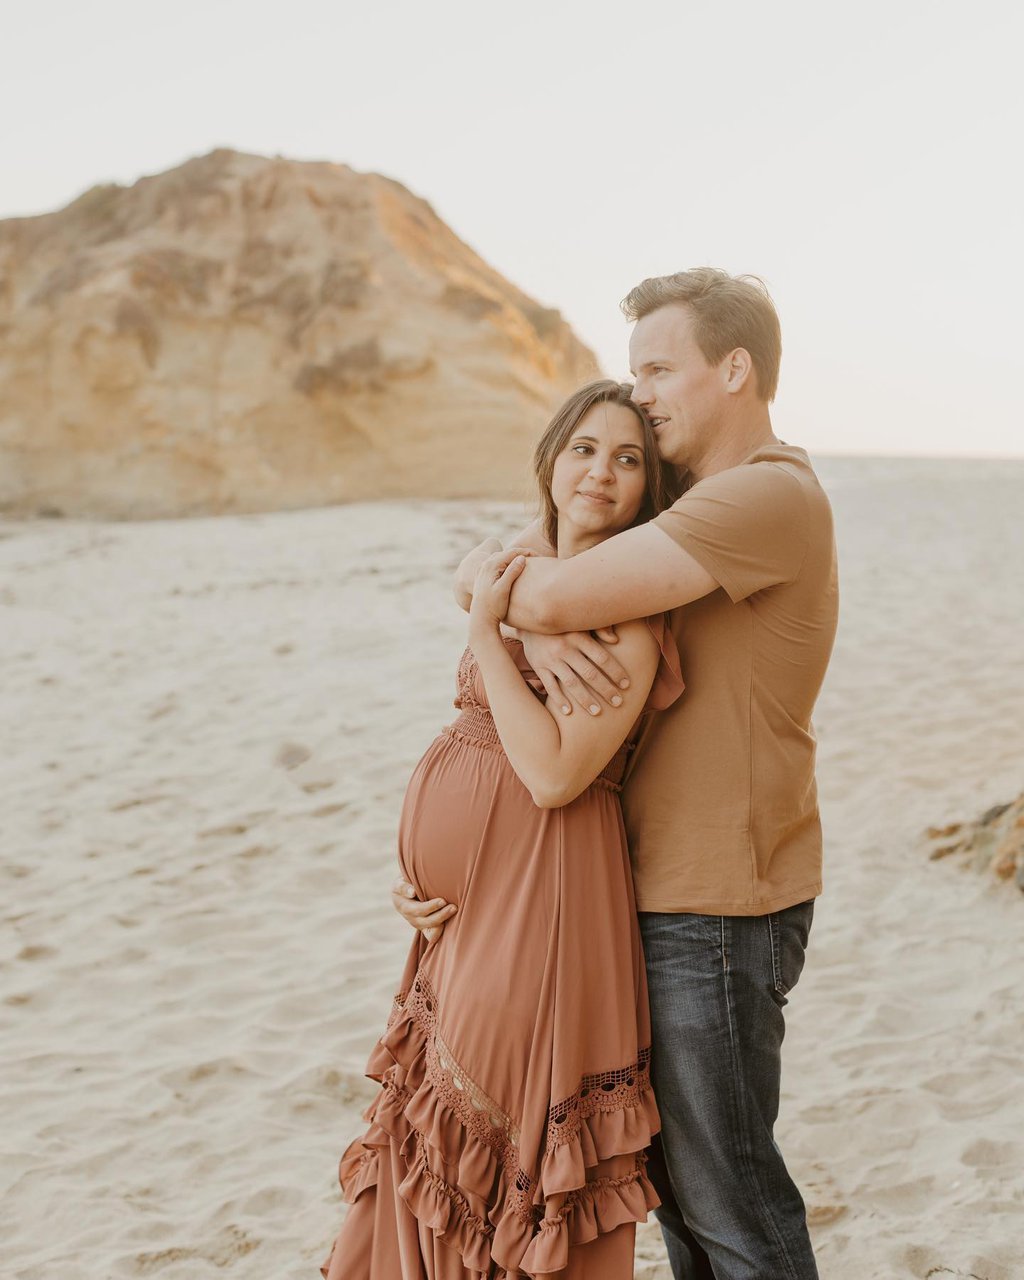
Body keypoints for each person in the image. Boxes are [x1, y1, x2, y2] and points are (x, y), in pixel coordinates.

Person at [396, 269, 839, 1280]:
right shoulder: (694, 502)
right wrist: (515, 614)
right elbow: (520, 552)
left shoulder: (763, 495)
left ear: (735, 369)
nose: (640, 392)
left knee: (726, 1195)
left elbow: (541, 589)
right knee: (682, 1192)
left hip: (717, 899)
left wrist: (516, 618)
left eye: (657, 368)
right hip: (630, 895)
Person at [320, 379, 686, 1279]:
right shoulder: (526, 568)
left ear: (648, 488)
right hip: (461, 912)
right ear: (550, 461)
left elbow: (557, 774)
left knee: (495, 1123)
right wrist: (419, 866)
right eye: (583, 449)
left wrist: (491, 634)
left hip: (549, 896)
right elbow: (480, 567)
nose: (601, 472)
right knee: (428, 1121)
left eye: (628, 458)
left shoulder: (631, 611)